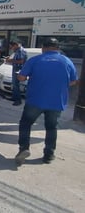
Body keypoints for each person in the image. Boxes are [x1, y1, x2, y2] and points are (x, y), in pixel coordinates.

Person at [14, 37, 78, 165]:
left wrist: (21, 75)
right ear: (57, 48)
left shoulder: (35, 60)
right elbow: (73, 81)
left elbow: (21, 77)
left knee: (26, 124)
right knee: (51, 127)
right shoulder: (67, 61)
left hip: (35, 100)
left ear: (43, 48)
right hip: (56, 101)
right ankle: (48, 155)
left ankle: (24, 149)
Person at [6, 40, 27, 106]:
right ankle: (14, 97)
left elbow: (21, 61)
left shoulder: (21, 51)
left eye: (12, 47)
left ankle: (18, 100)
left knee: (16, 84)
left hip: (19, 69)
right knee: (14, 84)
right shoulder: (17, 51)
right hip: (15, 68)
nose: (11, 48)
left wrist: (10, 60)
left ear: (15, 45)